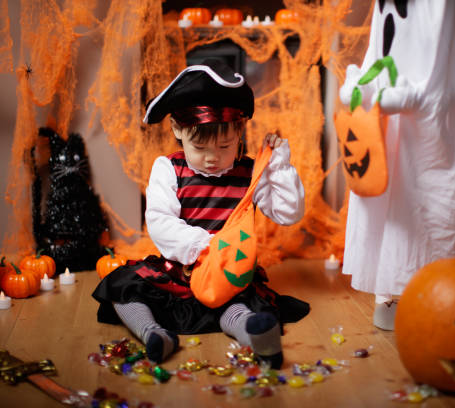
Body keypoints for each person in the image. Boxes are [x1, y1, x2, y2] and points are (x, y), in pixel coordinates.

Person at [93, 60, 309, 367]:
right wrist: (207, 246)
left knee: (236, 307)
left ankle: (257, 339)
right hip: (179, 272)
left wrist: (279, 167)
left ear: (240, 130)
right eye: (200, 147)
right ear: (178, 130)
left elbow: (289, 213)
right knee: (124, 288)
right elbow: (159, 221)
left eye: (224, 146)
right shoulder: (168, 169)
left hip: (228, 277)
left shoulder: (248, 172)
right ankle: (154, 333)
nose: (212, 158)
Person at [338, 0, 455, 330]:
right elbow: (381, 52)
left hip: (426, 122)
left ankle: (431, 294)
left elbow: (444, 68)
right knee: (386, 200)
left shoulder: (440, 7)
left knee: (425, 196)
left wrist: (416, 97)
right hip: (385, 121)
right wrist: (362, 86)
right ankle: (388, 293)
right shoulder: (385, 4)